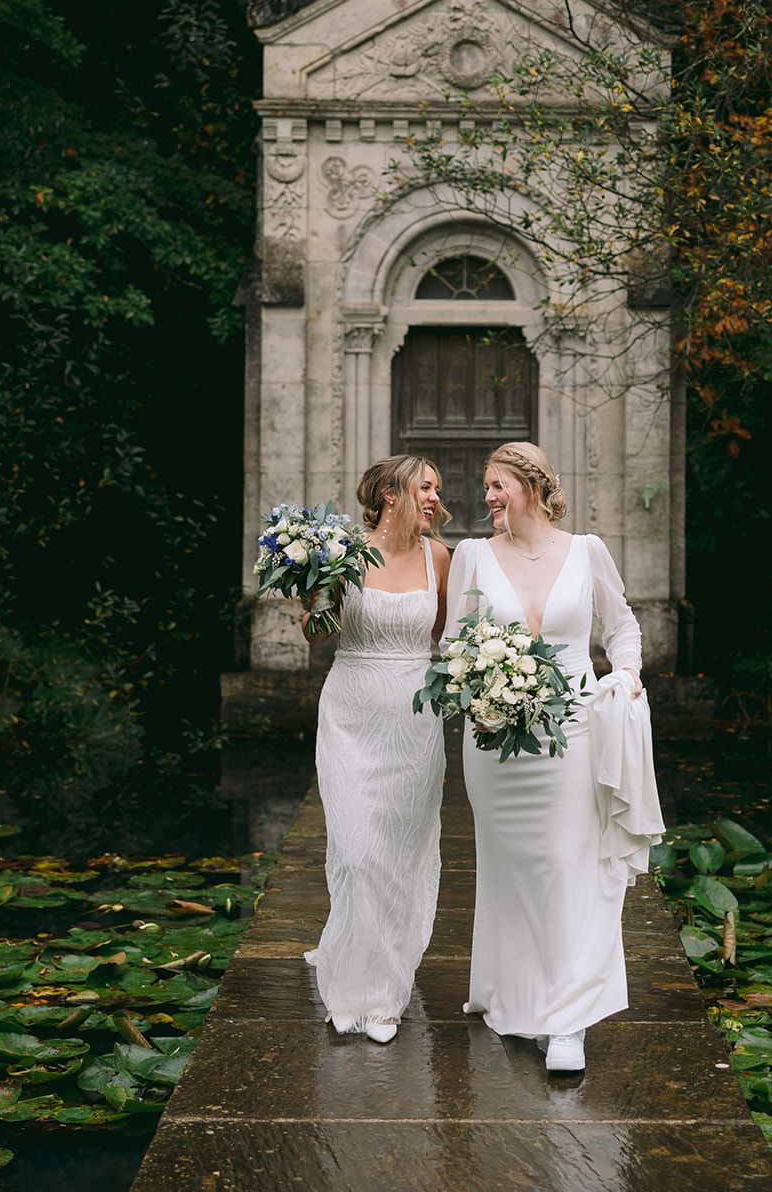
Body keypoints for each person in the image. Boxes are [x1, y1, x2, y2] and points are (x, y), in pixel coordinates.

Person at [443, 440, 664, 1074]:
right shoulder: (473, 557)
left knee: (571, 868)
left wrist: (625, 672)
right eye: (485, 487)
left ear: (532, 486)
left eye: (496, 485)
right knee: (512, 872)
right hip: (496, 738)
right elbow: (455, 643)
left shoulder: (587, 550)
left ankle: (568, 1021)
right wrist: (477, 685)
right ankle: (515, 994)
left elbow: (622, 626)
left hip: (573, 732)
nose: (486, 497)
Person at [305, 455, 450, 1043]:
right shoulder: (343, 553)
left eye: (438, 488)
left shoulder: (440, 557)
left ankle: (385, 995)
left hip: (415, 719)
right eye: (425, 487)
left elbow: (444, 641)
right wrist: (312, 595)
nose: (436, 498)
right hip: (350, 711)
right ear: (392, 495)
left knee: (399, 858)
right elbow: (318, 633)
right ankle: (348, 983)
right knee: (357, 851)